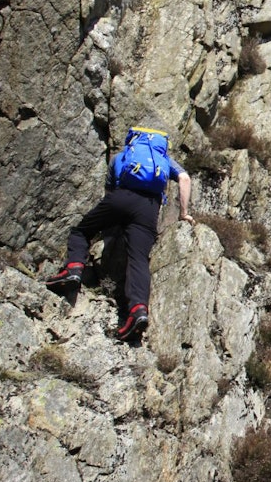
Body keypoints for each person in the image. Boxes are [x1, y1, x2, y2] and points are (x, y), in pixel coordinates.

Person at [46, 125, 194, 340]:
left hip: (120, 198)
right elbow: (185, 179)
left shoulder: (122, 156)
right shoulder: (164, 160)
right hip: (148, 209)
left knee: (80, 231)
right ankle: (138, 310)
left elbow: (111, 188)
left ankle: (74, 268)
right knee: (138, 259)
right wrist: (183, 213)